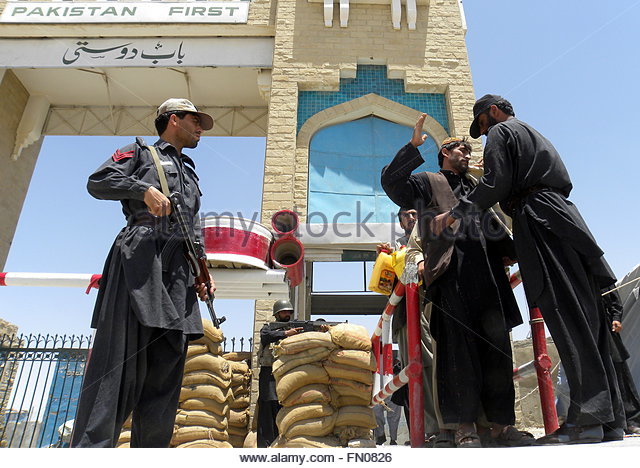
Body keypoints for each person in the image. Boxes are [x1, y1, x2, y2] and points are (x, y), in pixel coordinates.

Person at [433, 94, 625, 444]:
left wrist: (454, 213)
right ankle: (608, 418)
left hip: (538, 218)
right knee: (586, 315)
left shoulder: (502, 132)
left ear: (492, 112)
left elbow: (496, 184)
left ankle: (588, 419)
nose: (483, 133)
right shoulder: (532, 134)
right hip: (563, 217)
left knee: (565, 315)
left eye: (481, 124)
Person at [71, 98, 215, 448]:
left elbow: (192, 224)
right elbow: (98, 181)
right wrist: (142, 189)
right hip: (141, 257)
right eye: (195, 121)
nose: (201, 129)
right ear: (173, 119)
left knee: (166, 371)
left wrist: (202, 267)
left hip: (180, 269)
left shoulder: (191, 171)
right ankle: (90, 452)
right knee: (116, 363)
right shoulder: (139, 152)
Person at [382, 116, 530, 448]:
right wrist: (413, 147)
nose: (467, 153)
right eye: (461, 148)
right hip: (452, 277)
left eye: (469, 148)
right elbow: (393, 184)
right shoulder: (428, 182)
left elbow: (497, 225)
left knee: (498, 351)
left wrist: (515, 251)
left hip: (489, 277)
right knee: (457, 353)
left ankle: (502, 426)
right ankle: (464, 426)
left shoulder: (479, 189)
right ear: (445, 153)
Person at [376, 207, 439, 442]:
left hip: (435, 309)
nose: (411, 218)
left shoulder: (433, 239)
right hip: (408, 315)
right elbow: (385, 289)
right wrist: (383, 262)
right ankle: (428, 430)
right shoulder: (394, 249)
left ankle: (441, 427)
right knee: (416, 368)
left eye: (415, 214)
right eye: (406, 215)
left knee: (435, 365)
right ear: (401, 222)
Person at [257, 299, 303, 447]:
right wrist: (285, 333)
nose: (287, 314)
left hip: (286, 372)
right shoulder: (267, 328)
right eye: (284, 312)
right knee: (268, 406)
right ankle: (265, 445)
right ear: (277, 314)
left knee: (282, 407)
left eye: (289, 312)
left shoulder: (295, 328)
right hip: (269, 373)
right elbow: (266, 337)